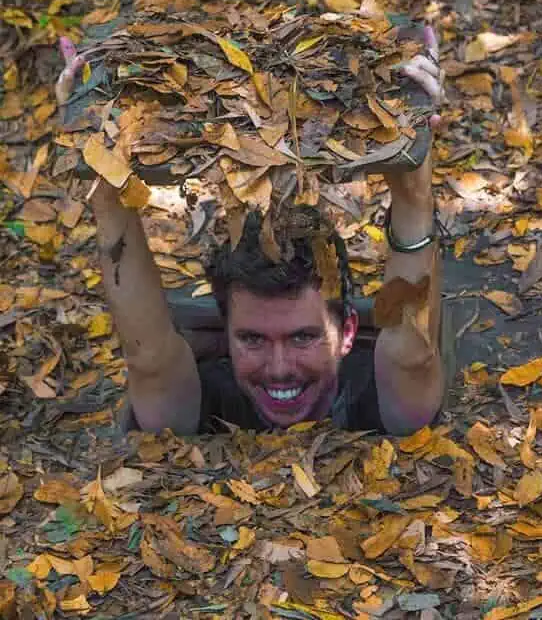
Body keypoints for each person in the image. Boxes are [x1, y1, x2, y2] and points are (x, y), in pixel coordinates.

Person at [87, 27, 445, 436]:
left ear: (348, 331)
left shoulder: (383, 398)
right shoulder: (195, 403)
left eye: (304, 337)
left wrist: (414, 182)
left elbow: (413, 357)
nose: (279, 369)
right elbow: (149, 360)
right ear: (225, 335)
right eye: (252, 339)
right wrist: (100, 159)